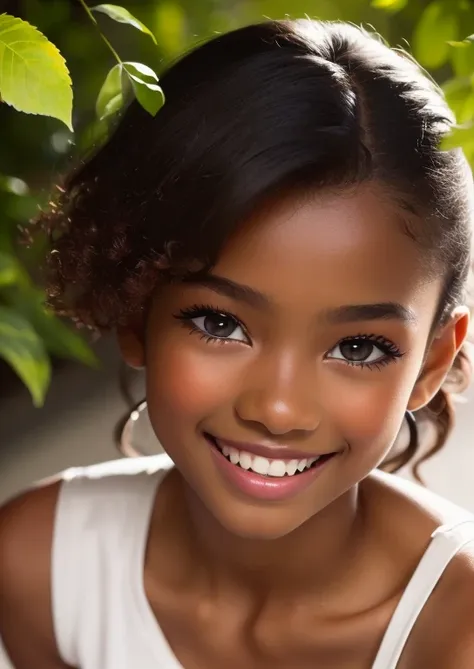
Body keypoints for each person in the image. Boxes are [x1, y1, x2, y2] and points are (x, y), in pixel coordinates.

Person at [1, 17, 474, 669]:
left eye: (359, 347)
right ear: (136, 310)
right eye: (220, 323)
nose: (278, 409)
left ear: (432, 361)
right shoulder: (37, 569)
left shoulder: (457, 629)